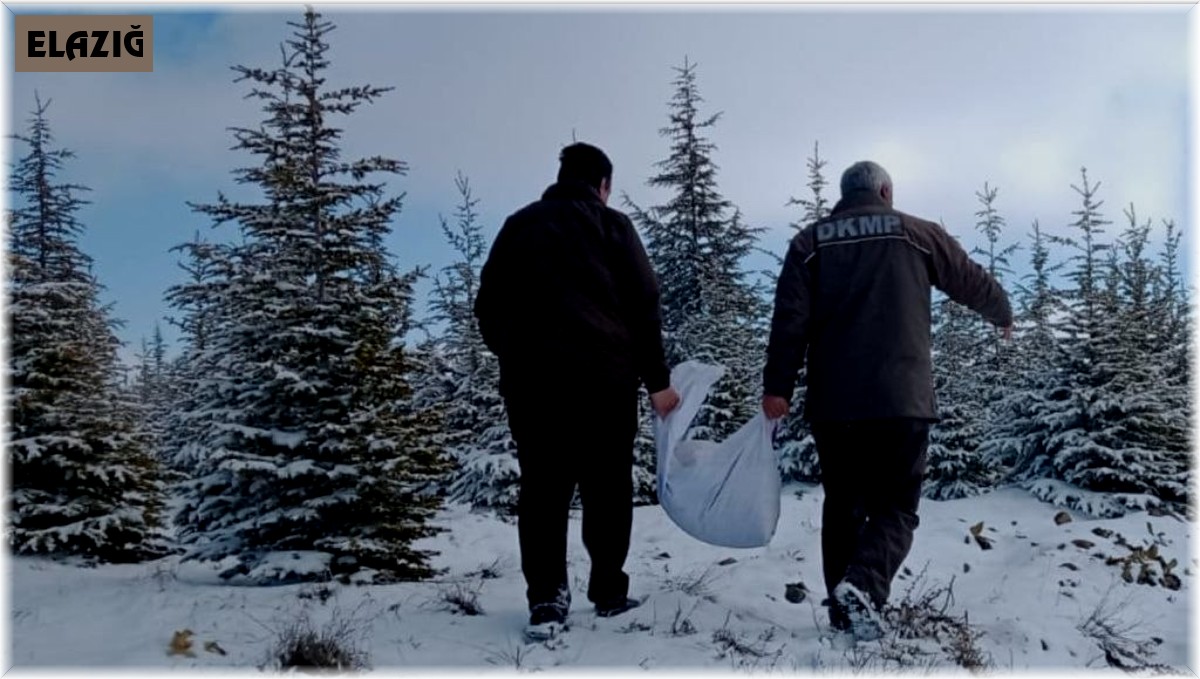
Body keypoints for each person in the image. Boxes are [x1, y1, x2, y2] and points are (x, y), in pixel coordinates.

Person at [761, 161, 1013, 641]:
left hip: (835, 405)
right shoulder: (918, 233)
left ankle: (843, 613)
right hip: (903, 399)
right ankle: (863, 585)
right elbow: (970, 279)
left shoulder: (809, 243)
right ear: (885, 191)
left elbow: (789, 320)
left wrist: (778, 388)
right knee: (897, 507)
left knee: (842, 505)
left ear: (845, 194)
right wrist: (1001, 312)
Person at [475, 142, 681, 640]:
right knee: (607, 487)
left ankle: (547, 598)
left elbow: (487, 305)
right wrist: (657, 382)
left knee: (543, 489)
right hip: (604, 383)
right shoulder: (614, 227)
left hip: (533, 387)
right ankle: (608, 591)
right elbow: (644, 305)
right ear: (603, 185)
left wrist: (516, 353)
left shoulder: (519, 225)